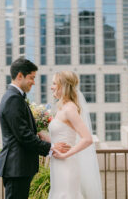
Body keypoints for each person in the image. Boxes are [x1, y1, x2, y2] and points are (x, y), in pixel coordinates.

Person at [0, 58, 70, 199]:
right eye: (31, 78)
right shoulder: (13, 98)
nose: (34, 82)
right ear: (20, 76)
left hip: (19, 168)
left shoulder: (15, 97)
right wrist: (51, 147)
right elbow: (23, 135)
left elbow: (23, 130)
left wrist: (39, 135)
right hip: (16, 168)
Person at [39, 71, 103, 199]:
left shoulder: (70, 109)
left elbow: (87, 139)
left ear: (63, 86)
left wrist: (65, 154)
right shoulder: (61, 108)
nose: (51, 87)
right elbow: (63, 137)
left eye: (54, 83)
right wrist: (42, 135)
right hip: (57, 164)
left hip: (67, 164)